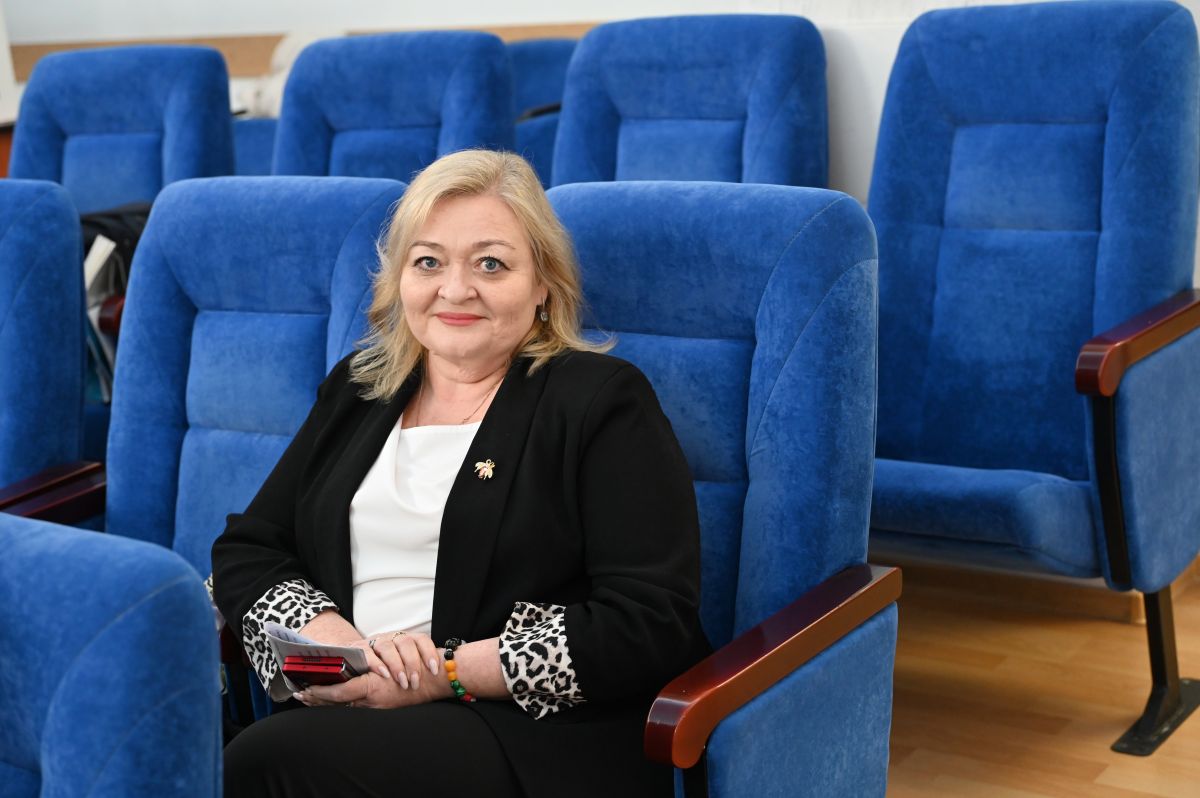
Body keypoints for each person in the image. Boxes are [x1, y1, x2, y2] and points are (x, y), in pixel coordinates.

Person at [213, 149, 709, 798]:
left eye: (491, 264)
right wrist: (335, 646)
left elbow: (650, 620)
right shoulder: (360, 389)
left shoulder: (598, 399)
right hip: (349, 713)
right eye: (428, 262)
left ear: (543, 285)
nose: (454, 289)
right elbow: (249, 548)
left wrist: (439, 673)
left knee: (264, 762)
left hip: (525, 733)